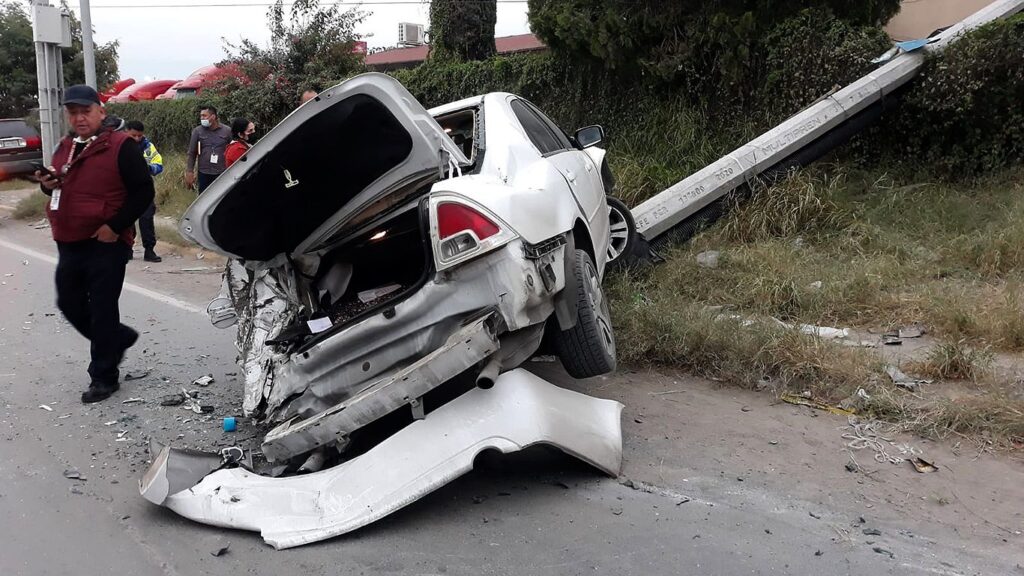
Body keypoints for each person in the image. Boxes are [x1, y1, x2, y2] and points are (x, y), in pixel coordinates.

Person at [34, 85, 155, 403]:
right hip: (69, 240)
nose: (79, 117)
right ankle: (119, 339)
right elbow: (63, 185)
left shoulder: (121, 146)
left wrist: (114, 227)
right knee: (69, 303)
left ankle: (103, 377)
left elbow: (144, 192)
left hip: (106, 242)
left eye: (85, 111)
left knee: (102, 309)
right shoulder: (66, 146)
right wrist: (49, 186)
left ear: (100, 111)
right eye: (72, 112)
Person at [125, 120, 164, 262]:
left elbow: (159, 164)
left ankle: (149, 249)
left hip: (144, 189)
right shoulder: (119, 146)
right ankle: (127, 248)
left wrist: (149, 168)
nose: (136, 139)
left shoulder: (147, 147)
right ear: (126, 132)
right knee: (127, 220)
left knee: (146, 219)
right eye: (133, 135)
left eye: (139, 136)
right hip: (125, 190)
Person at [185, 105, 231, 194]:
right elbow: (192, 153)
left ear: (213, 116)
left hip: (222, 172)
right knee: (204, 196)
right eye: (201, 116)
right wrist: (189, 171)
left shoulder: (227, 131)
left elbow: (232, 149)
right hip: (204, 172)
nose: (202, 118)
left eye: (204, 116)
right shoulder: (197, 131)